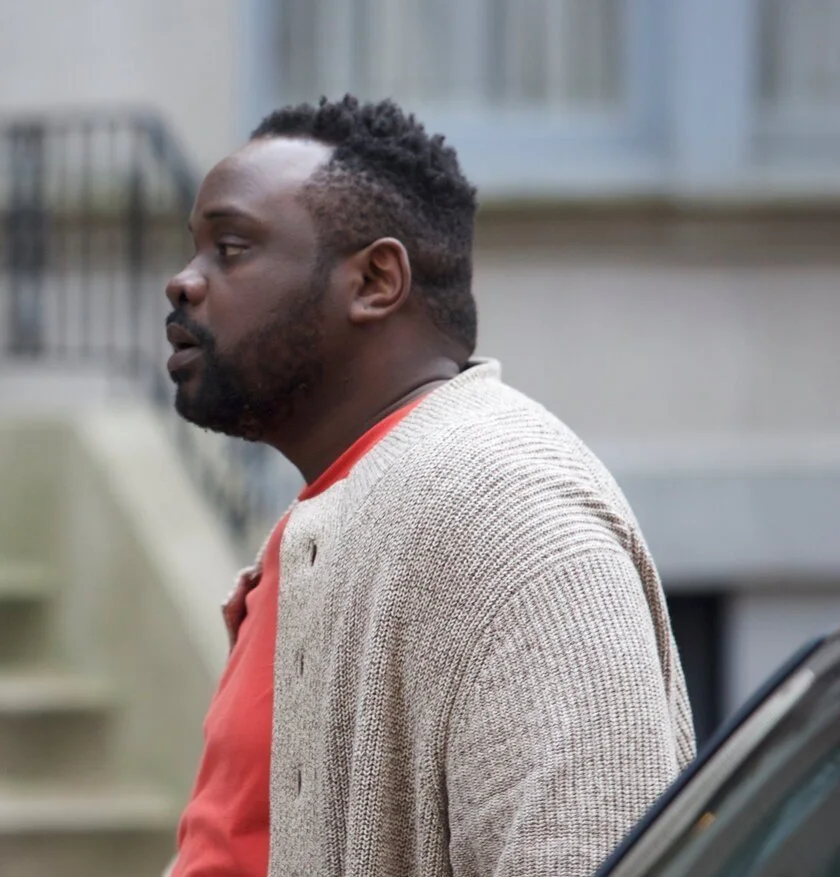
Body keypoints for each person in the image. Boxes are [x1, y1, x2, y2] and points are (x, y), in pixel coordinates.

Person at [164, 97, 694, 876]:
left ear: (376, 281)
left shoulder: (512, 515)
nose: (183, 283)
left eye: (231, 248)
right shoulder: (339, 515)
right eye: (195, 250)